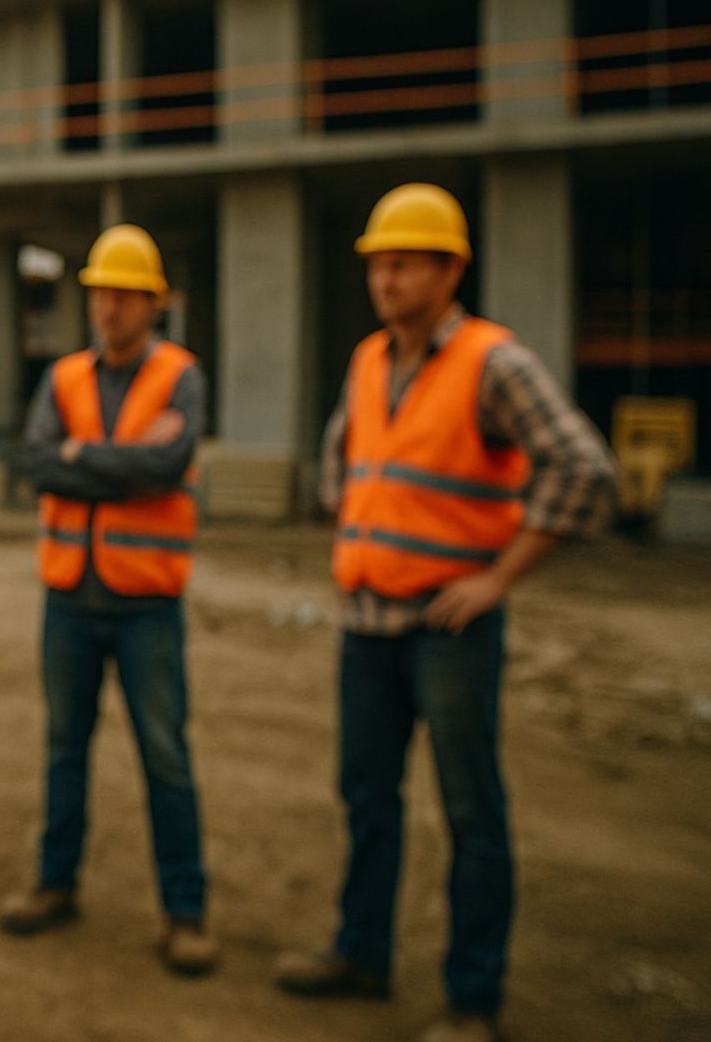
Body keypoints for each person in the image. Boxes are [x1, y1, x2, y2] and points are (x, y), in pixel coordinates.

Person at [274, 183, 616, 1042]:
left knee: (470, 812)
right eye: (377, 267)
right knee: (367, 797)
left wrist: (498, 578)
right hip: (367, 625)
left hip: (449, 630)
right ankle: (361, 953)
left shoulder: (494, 365)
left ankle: (472, 1001)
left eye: (402, 265)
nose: (385, 282)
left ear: (450, 269)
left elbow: (586, 473)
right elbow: (341, 461)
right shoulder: (367, 362)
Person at [0, 224, 219, 976]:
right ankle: (55, 885)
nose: (111, 308)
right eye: (101, 294)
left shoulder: (182, 376)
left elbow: (169, 463)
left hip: (147, 605)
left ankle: (185, 914)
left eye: (126, 295)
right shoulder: (61, 379)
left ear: (154, 303)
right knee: (65, 749)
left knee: (166, 758)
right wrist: (113, 463)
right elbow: (37, 464)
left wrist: (80, 455)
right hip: (68, 597)